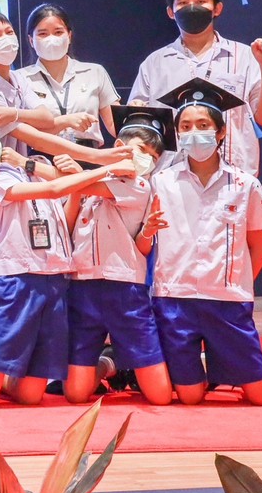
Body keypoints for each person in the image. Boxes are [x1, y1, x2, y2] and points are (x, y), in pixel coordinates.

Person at [0, 0, 129, 318]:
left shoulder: (17, 78)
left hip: (8, 183)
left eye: (8, 31)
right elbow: (38, 136)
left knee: (13, 265)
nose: (6, 39)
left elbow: (44, 117)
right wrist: (103, 157)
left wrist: (17, 113)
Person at [0, 114, 137, 405]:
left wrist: (66, 186)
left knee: (30, 395)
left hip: (55, 279)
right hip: (15, 280)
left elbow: (64, 213)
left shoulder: (30, 165)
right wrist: (108, 168)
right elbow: (54, 188)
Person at [148, 78, 262, 406]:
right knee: (190, 397)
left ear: (221, 132)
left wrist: (237, 285)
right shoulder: (160, 182)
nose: (194, 132)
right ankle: (207, 368)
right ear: (177, 134)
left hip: (227, 301)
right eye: (186, 126)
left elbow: (258, 247)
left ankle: (221, 363)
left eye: (203, 125)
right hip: (175, 300)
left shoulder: (245, 185)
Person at [128, 0, 262, 175]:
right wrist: (136, 114)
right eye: (183, 2)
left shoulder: (245, 56)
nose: (192, 8)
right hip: (170, 179)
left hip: (234, 178)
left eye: (201, 1)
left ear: (217, 8)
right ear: (171, 12)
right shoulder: (155, 63)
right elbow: (138, 131)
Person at [60, 106, 176, 406]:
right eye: (142, 150)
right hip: (82, 288)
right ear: (119, 147)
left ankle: (119, 360)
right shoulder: (82, 186)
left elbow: (84, 183)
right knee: (75, 394)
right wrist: (74, 188)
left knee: (160, 397)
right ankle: (108, 363)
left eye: (153, 156)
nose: (147, 159)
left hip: (125, 291)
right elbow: (66, 227)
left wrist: (72, 174)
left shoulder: (139, 185)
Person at [12, 3, 121, 148]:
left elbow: (115, 125)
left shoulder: (94, 72)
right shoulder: (19, 78)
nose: (51, 39)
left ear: (69, 36)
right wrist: (65, 121)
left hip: (89, 155)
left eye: (58, 32)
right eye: (43, 34)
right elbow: (18, 131)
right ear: (31, 40)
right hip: (40, 155)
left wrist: (135, 115)